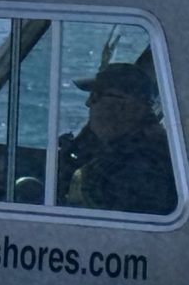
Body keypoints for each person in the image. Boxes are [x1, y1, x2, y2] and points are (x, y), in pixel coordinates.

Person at [59, 60, 179, 216]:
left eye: (96, 96)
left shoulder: (142, 164)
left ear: (125, 105)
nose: (88, 103)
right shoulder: (122, 148)